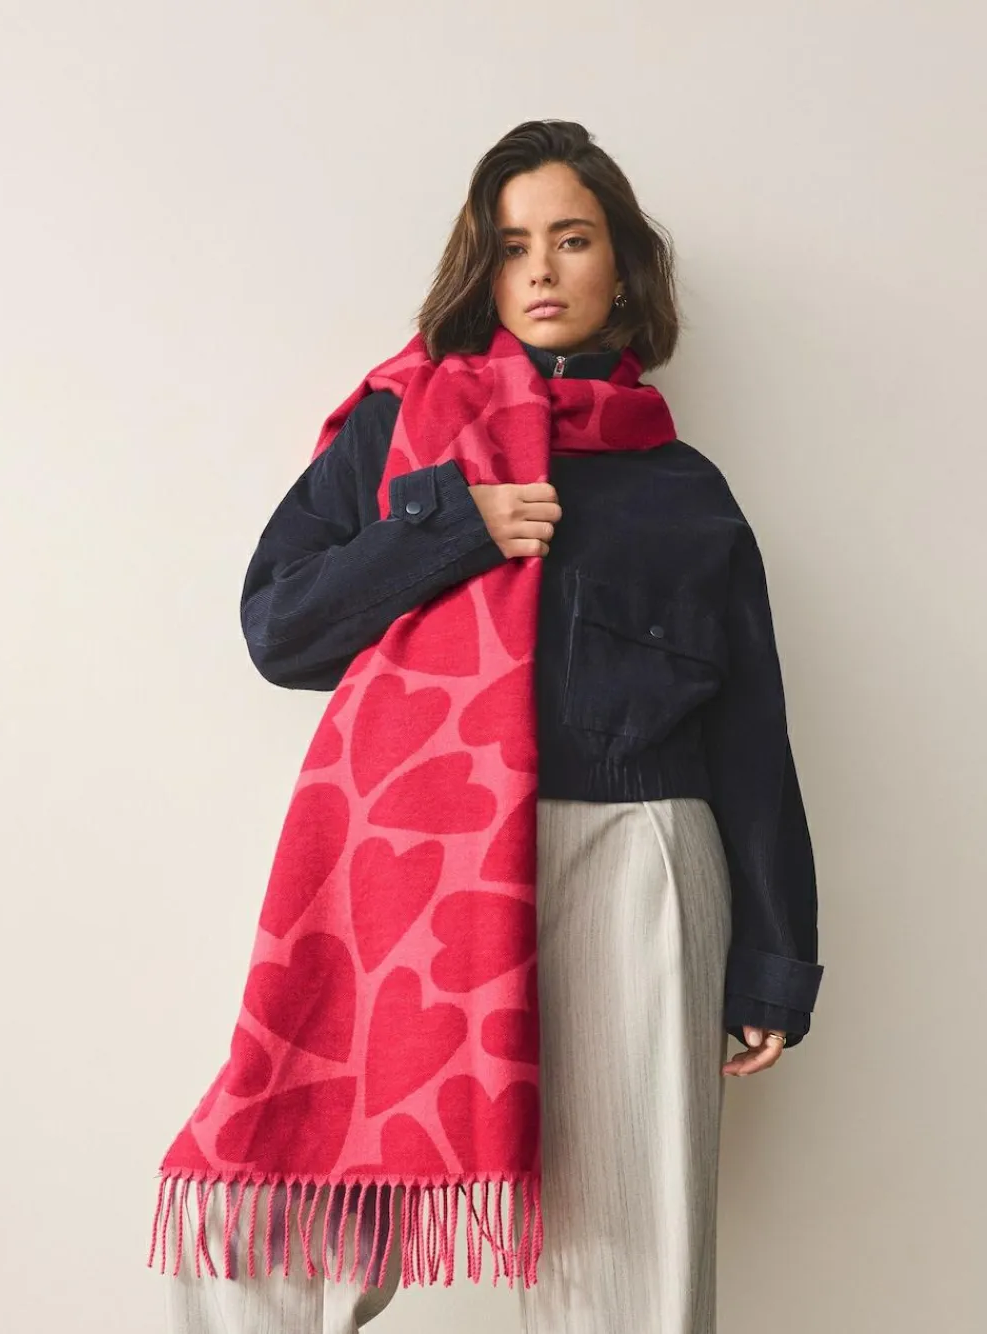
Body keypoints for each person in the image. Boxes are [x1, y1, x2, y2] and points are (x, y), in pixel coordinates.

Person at [161, 119, 824, 1334]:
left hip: (635, 858)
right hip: (428, 867)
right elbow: (280, 629)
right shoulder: (402, 425)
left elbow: (748, 733)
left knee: (628, 1251)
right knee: (290, 1199)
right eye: (512, 244)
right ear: (481, 266)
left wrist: (776, 957)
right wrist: (451, 525)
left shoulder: (686, 491)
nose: (541, 268)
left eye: (571, 239)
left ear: (620, 265)